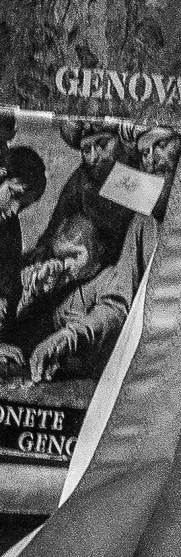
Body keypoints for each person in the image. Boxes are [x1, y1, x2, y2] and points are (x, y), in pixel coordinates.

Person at [0, 211, 127, 385]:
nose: (66, 264)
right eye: (61, 257)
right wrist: (32, 293)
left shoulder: (110, 277)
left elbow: (110, 315)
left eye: (74, 255)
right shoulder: (58, 279)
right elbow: (24, 330)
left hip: (80, 378)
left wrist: (67, 337)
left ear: (99, 249)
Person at [0, 146, 46, 327]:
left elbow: (10, 283)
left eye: (23, 205)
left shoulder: (10, 229)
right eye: (14, 194)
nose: (15, 210)